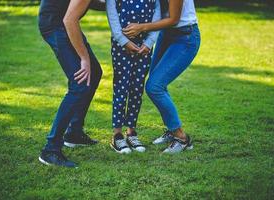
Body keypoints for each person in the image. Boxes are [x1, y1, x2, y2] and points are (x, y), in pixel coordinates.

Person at [123, 0, 201, 153]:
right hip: (166, 34)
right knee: (157, 85)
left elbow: (174, 19)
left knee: (155, 86)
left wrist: (141, 27)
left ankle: (182, 138)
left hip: (185, 37)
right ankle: (172, 131)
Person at [38, 0, 105, 168]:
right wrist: (84, 59)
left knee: (94, 73)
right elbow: (69, 20)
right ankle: (50, 150)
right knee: (79, 83)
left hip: (63, 20)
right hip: (56, 24)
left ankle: (74, 133)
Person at [106, 0, 161, 154]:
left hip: (144, 47)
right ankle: (117, 134)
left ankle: (131, 132)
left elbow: (157, 18)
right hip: (121, 46)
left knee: (137, 89)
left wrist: (149, 43)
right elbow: (113, 18)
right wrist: (124, 41)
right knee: (121, 88)